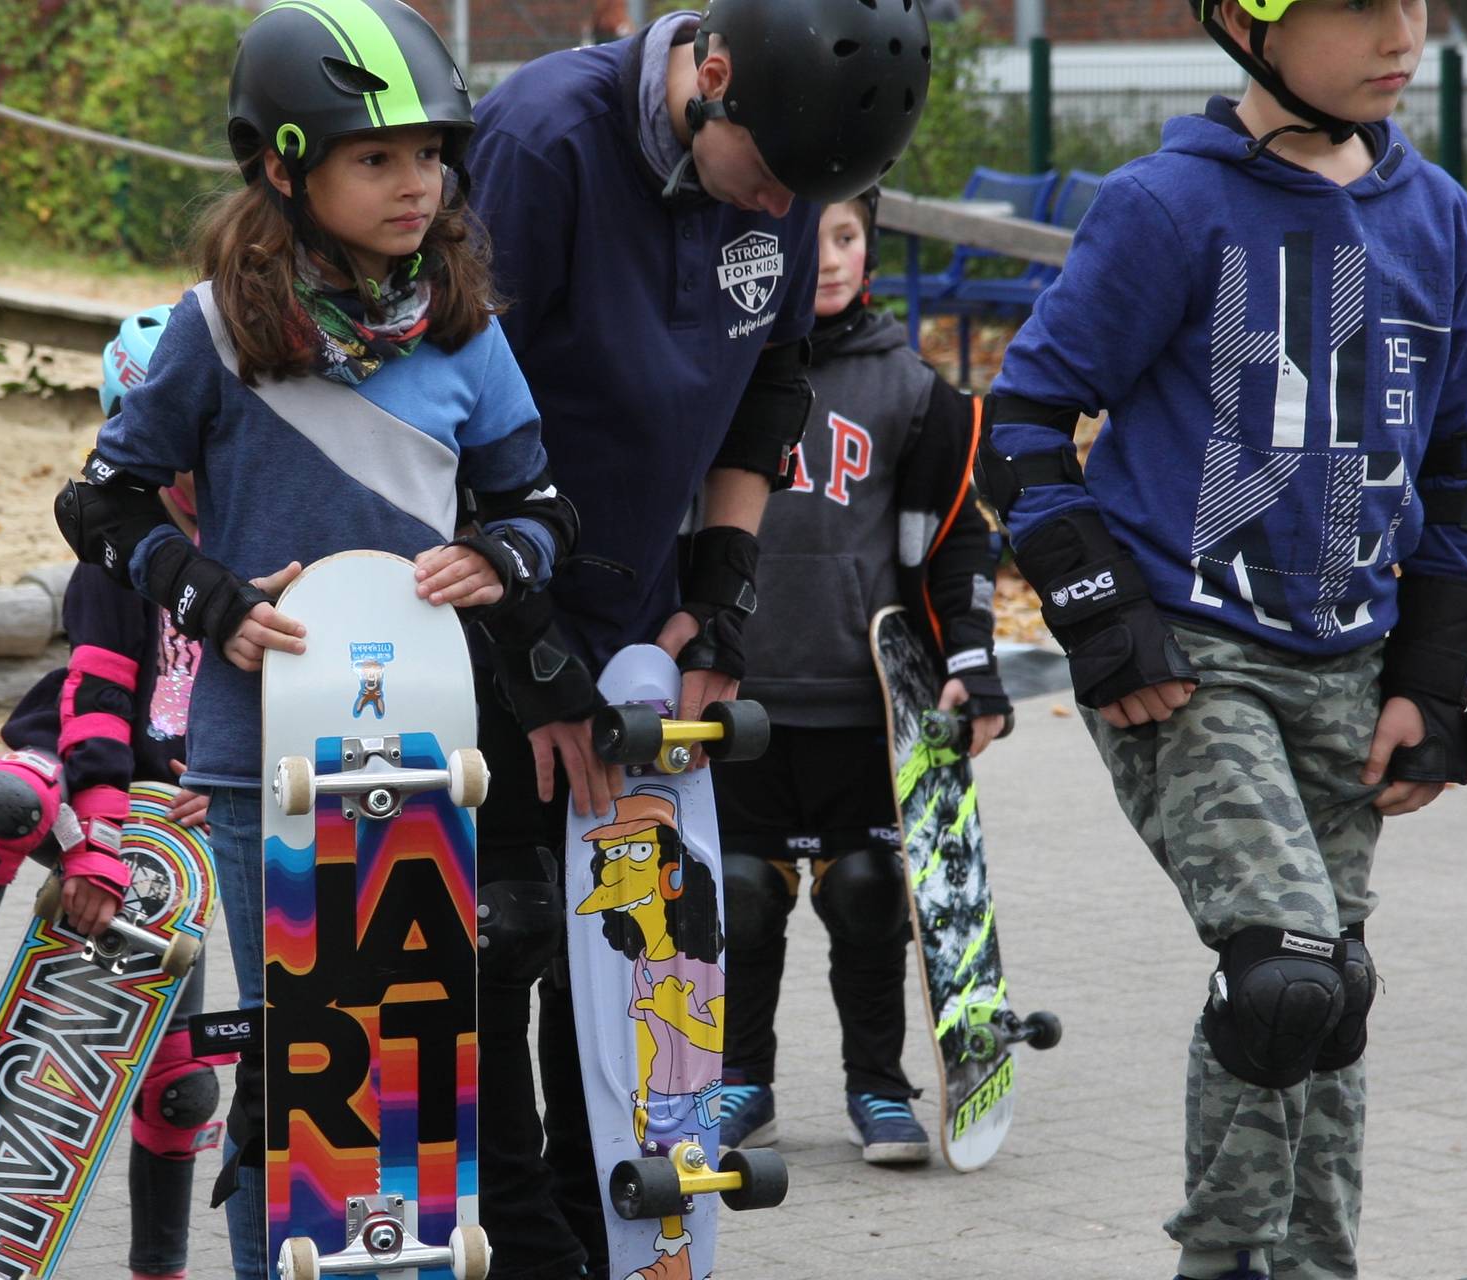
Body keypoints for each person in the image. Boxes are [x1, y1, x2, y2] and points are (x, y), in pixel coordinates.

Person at [975, 0, 1467, 1275]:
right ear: (1256, 27)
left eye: (1413, 6)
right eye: (1360, 9)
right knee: (1283, 972)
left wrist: (1431, 678)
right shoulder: (1167, 207)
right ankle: (1219, 1260)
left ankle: (1319, 1262)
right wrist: (1106, 626)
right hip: (1193, 667)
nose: (1402, 36)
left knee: (1333, 995)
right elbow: (1024, 425)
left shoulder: (1439, 219)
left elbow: (1462, 469)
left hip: (1353, 667)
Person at [51, 5, 574, 1277]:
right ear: (286, 168)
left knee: (404, 1062)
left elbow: (540, 509)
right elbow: (100, 503)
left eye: (431, 156)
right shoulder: (219, 330)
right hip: (264, 752)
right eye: (375, 158)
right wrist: (213, 598)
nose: (418, 185)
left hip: (428, 738)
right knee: (298, 1065)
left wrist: (499, 558)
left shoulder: (464, 323)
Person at [457, 1, 930, 1273]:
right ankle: (514, 1219)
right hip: (482, 586)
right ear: (708, 79)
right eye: (769, 179)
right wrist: (532, 651)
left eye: (812, 197)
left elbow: (773, 388)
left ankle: (595, 1198)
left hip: (633, 609)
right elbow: (451, 404)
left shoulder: (785, 183)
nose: (778, 212)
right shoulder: (542, 144)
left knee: (616, 929)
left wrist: (723, 589)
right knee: (507, 922)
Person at [0, 306, 229, 1280]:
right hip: (93, 782)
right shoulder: (122, 541)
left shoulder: (264, 532)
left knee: (181, 1094)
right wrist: (97, 828)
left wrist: (229, 777)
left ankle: (158, 1268)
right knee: (6, 795)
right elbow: (95, 695)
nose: (184, 468)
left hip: (192, 829)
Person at [709, 192, 1010, 1169]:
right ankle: (739, 1080)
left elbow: (959, 534)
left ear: (869, 243)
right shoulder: (719, 368)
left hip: (863, 704)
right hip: (737, 697)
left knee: (874, 890)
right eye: (809, 237)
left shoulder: (909, 389)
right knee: (743, 894)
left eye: (845, 235)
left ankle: (879, 1083)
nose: (828, 256)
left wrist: (971, 659)